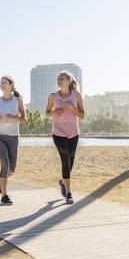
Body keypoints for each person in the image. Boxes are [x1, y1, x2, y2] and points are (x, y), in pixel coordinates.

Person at [0, 76, 26, 205]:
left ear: (11, 85)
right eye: (1, 83)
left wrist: (15, 118)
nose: (2, 84)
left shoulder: (18, 100)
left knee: (12, 168)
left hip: (13, 137)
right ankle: (4, 195)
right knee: (5, 164)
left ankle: (1, 184)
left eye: (5, 82)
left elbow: (24, 119)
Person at [45, 70, 84, 204]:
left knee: (71, 161)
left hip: (73, 132)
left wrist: (73, 109)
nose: (60, 80)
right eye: (58, 79)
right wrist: (54, 112)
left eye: (62, 78)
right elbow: (47, 113)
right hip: (58, 132)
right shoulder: (53, 96)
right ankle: (68, 193)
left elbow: (82, 115)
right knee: (65, 160)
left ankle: (63, 181)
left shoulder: (77, 95)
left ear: (69, 81)